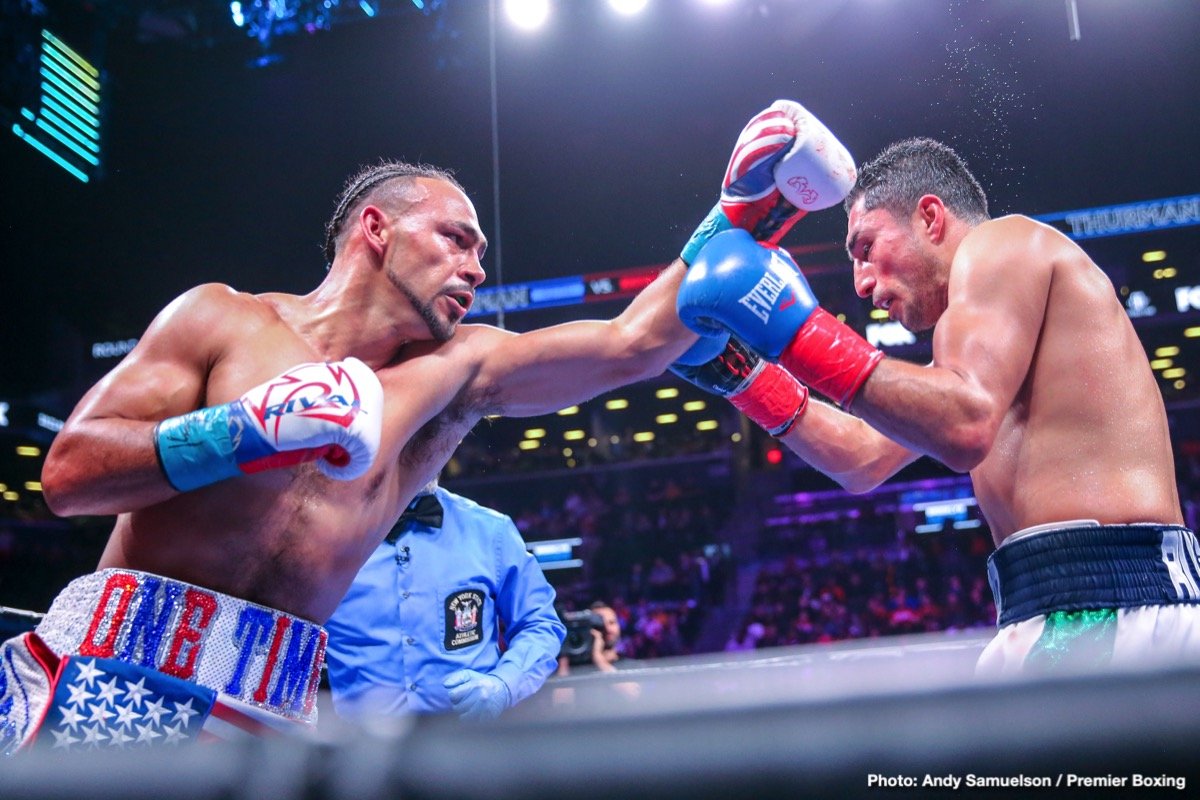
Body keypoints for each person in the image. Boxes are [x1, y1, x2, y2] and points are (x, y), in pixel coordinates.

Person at [0, 99, 856, 753]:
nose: (476, 267)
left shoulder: (456, 372)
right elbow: (69, 475)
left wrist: (741, 214)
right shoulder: (221, 320)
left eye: (480, 251)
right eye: (455, 239)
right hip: (115, 663)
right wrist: (244, 431)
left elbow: (633, 343)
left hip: (267, 704)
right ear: (375, 230)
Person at [675, 136, 1200, 675]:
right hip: (1081, 610)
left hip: (1099, 613)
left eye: (865, 248)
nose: (860, 284)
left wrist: (795, 327)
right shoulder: (982, 360)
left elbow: (962, 426)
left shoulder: (1006, 242)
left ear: (930, 217)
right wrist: (742, 376)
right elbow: (860, 458)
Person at [323, 482, 565, 721]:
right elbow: (292, 634)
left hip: (471, 746)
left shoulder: (489, 530)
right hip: (362, 750)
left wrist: (505, 682)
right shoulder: (324, 540)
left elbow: (539, 623)